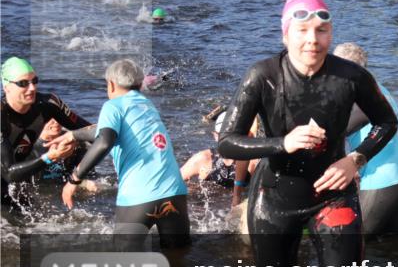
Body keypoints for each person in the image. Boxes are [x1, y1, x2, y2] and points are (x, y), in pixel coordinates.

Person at [217, 0, 398, 267]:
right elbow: (226, 143)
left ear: (331, 34)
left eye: (321, 30)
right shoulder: (262, 76)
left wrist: (357, 160)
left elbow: (385, 121)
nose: (312, 40)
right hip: (276, 198)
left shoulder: (350, 77)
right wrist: (281, 143)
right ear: (286, 34)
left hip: (332, 195)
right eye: (302, 30)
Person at [59, 59, 190, 251]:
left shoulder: (113, 106)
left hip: (139, 198)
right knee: (178, 259)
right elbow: (105, 130)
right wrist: (73, 135)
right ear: (139, 84)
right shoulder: (147, 106)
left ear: (111, 84)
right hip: (174, 193)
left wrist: (74, 179)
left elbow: (104, 141)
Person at [333, 42, 398, 236]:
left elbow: (332, 134)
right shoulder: (378, 90)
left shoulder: (358, 96)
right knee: (397, 249)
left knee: (354, 245)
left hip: (384, 184)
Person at [1, 57, 91, 211]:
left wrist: (74, 138)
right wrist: (51, 156)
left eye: (34, 81)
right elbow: (9, 173)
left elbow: (91, 131)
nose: (32, 88)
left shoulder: (48, 104)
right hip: (8, 174)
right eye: (23, 83)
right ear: (6, 87)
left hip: (15, 181)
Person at [181, 112, 258, 205]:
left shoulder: (252, 161)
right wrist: (194, 189)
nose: (228, 140)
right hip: (207, 209)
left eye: (232, 135)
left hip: (234, 207)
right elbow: (173, 183)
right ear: (215, 135)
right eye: (224, 135)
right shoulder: (203, 159)